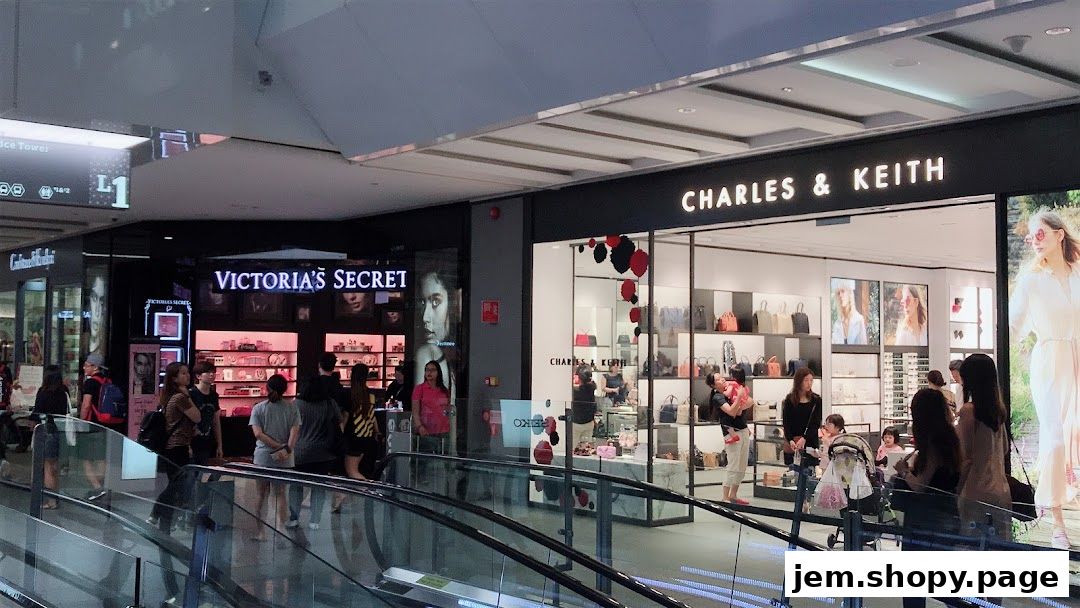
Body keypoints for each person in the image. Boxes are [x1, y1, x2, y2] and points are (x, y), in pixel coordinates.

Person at [1008, 207, 1080, 549]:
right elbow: (1012, 326)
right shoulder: (1031, 281)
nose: (1034, 242)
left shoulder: (1079, 273)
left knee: (1074, 433)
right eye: (1030, 236)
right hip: (1049, 360)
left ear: (1058, 235)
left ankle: (1066, 493)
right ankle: (1057, 520)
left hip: (1077, 355)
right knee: (1053, 438)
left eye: (1040, 234)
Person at [893, 389, 962, 608]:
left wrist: (904, 471)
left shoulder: (933, 442)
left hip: (925, 521)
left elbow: (920, 485)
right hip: (948, 516)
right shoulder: (950, 439)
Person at [956, 354, 1013, 543]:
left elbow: (964, 457)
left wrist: (956, 490)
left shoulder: (968, 412)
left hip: (975, 491)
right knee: (1001, 549)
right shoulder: (998, 412)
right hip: (1001, 491)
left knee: (972, 549)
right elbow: (1004, 449)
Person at [147, 363, 201, 531]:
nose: (187, 376)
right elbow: (197, 417)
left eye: (187, 372)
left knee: (175, 483)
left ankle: (163, 520)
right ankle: (157, 514)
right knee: (177, 484)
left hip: (174, 446)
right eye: (183, 373)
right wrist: (189, 397)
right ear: (174, 378)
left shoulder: (168, 397)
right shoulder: (180, 398)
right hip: (177, 447)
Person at [249, 374, 300, 540]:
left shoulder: (259, 408)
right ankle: (280, 528)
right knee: (281, 494)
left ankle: (261, 532)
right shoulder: (292, 408)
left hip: (263, 457)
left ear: (267, 388)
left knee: (260, 494)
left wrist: (275, 446)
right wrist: (286, 449)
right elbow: (294, 432)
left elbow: (258, 434)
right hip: (285, 457)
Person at [287, 375, 341, 530]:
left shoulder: (296, 404)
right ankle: (315, 520)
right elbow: (339, 422)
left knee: (296, 486)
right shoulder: (329, 404)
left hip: (299, 453)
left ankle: (294, 517)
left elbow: (290, 428)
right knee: (319, 487)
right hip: (324, 453)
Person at [414, 266, 458, 406]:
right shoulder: (427, 352)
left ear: (453, 304)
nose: (425, 317)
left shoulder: (441, 354)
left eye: (435, 302)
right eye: (422, 303)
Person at [32, 365, 68, 509]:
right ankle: (55, 497)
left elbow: (37, 412)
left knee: (47, 468)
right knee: (54, 467)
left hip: (45, 431)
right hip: (59, 431)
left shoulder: (43, 392)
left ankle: (51, 500)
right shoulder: (63, 392)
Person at [717, 368, 752, 505]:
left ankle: (733, 494)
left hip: (742, 429)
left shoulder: (739, 388)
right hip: (732, 430)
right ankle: (725, 496)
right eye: (719, 379)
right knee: (733, 464)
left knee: (742, 465)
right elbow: (732, 412)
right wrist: (739, 404)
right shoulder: (719, 396)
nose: (724, 379)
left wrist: (740, 406)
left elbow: (750, 402)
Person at [79, 354, 109, 500]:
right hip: (106, 424)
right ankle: (101, 486)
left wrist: (81, 421)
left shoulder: (90, 383)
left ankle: (97, 488)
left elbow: (86, 405)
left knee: (86, 459)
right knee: (101, 458)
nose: (84, 367)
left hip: (92, 425)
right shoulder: (107, 381)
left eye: (87, 365)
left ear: (95, 367)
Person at [781, 368, 822, 470]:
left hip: (810, 441)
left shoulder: (816, 400)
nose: (809, 383)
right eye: (806, 380)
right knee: (793, 472)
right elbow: (786, 422)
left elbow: (816, 422)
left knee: (809, 473)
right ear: (799, 381)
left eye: (811, 380)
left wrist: (804, 438)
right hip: (793, 442)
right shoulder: (789, 400)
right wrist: (790, 439)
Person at [412, 361, 451, 454]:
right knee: (425, 461)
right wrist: (420, 427)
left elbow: (448, 410)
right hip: (426, 431)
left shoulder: (444, 390)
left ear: (438, 372)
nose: (429, 373)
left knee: (443, 460)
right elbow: (415, 412)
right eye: (427, 370)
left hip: (443, 431)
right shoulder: (419, 389)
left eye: (432, 370)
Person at [188, 361, 223, 465]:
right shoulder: (191, 394)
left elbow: (216, 421)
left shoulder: (214, 395)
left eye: (213, 372)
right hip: (191, 439)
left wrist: (219, 445)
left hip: (206, 441)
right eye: (208, 372)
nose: (212, 375)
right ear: (198, 376)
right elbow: (186, 421)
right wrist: (187, 444)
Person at [831, 279, 867, 345]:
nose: (840, 295)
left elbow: (864, 349)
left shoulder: (859, 320)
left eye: (843, 291)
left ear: (849, 293)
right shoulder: (837, 324)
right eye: (838, 293)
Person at [570, 365, 597, 444]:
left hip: (576, 423)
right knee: (586, 448)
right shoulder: (591, 389)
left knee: (573, 448)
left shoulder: (576, 393)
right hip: (589, 422)